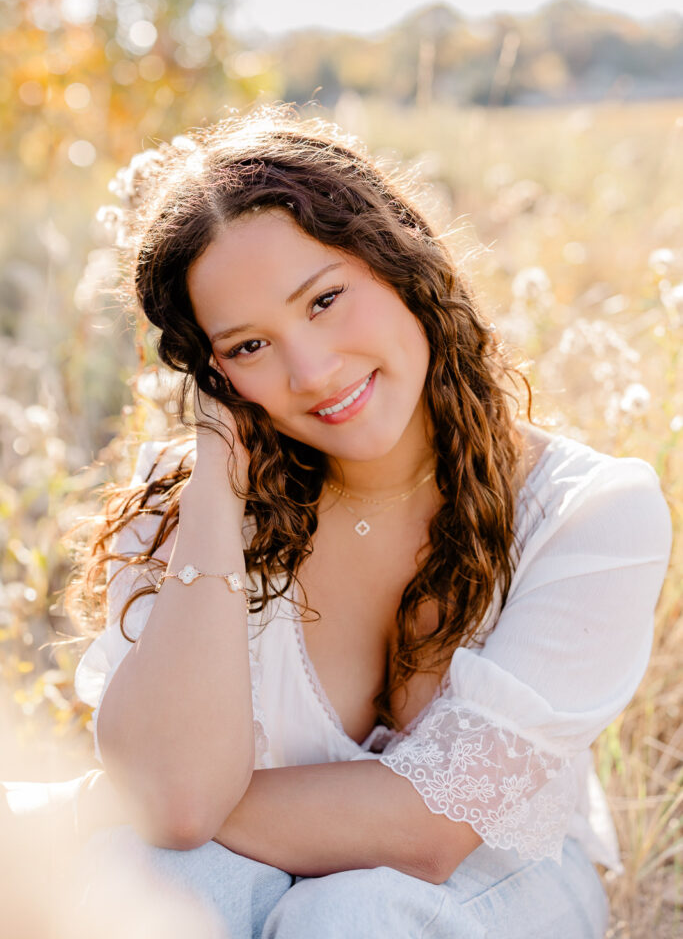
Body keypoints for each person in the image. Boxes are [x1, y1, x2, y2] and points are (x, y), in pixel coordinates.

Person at [3, 105, 672, 938]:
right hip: (259, 860)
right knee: (140, 879)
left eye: (324, 299)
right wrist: (213, 489)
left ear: (400, 265)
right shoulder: (189, 508)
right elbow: (175, 809)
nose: (312, 371)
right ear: (213, 377)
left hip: (497, 885)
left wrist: (106, 801)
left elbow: (428, 831)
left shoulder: (591, 511)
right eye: (249, 346)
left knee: (356, 912)